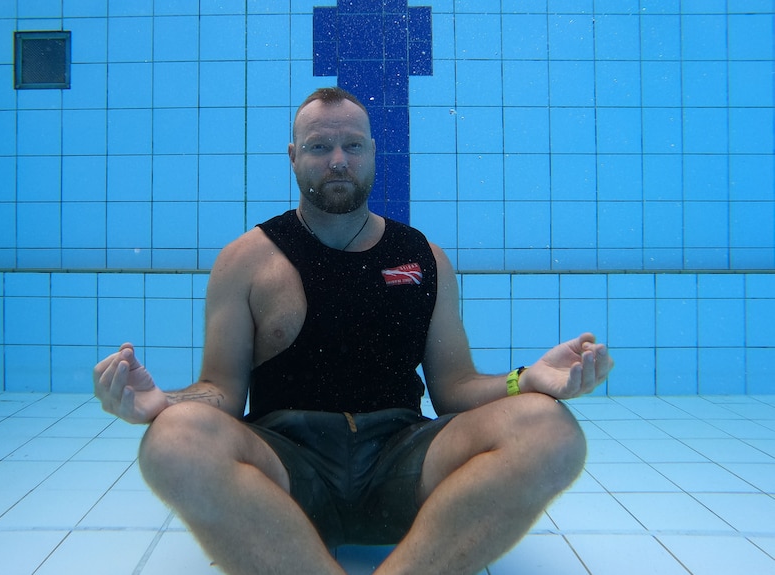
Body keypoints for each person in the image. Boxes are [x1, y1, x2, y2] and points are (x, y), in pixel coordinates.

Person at [93, 87, 614, 575]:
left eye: (352, 145)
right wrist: (165, 402)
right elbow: (221, 394)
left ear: (372, 153)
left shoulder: (423, 257)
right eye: (320, 146)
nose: (338, 160)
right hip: (284, 467)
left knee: (550, 428)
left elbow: (455, 391)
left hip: (404, 457)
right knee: (171, 439)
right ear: (293, 156)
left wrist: (526, 381)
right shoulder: (245, 261)